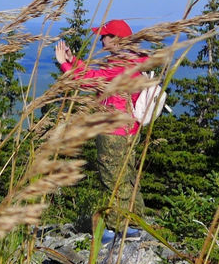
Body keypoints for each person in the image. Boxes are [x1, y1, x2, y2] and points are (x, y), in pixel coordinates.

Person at [54, 18, 148, 240]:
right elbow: (98, 76)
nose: (101, 40)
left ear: (116, 40)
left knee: (113, 179)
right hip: (129, 129)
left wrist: (64, 65)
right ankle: (135, 223)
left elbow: (89, 81)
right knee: (127, 176)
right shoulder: (133, 62)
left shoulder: (121, 66)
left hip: (113, 130)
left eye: (104, 36)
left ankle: (119, 230)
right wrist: (73, 60)